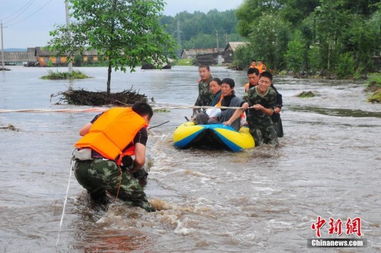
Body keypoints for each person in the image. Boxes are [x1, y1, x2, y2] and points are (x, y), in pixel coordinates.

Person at [73, 102, 155, 212]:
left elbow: (83, 132)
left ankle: (91, 227)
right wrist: (132, 170)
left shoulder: (108, 113)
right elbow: (140, 161)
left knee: (98, 202)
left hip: (79, 166)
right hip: (103, 166)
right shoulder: (140, 128)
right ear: (146, 117)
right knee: (140, 201)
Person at [225, 72, 278, 146]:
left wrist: (262, 108)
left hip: (266, 120)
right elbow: (241, 108)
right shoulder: (251, 91)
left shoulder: (272, 93)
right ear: (258, 81)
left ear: (270, 84)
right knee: (259, 143)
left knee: (275, 144)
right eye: (261, 81)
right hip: (253, 120)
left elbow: (271, 112)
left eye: (266, 82)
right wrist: (229, 121)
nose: (263, 84)